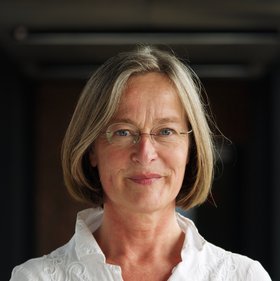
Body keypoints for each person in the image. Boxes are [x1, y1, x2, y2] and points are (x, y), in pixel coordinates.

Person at [10, 45, 271, 281]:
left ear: (190, 148)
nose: (145, 153)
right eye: (123, 132)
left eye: (166, 131)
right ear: (91, 149)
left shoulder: (244, 276)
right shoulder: (35, 278)